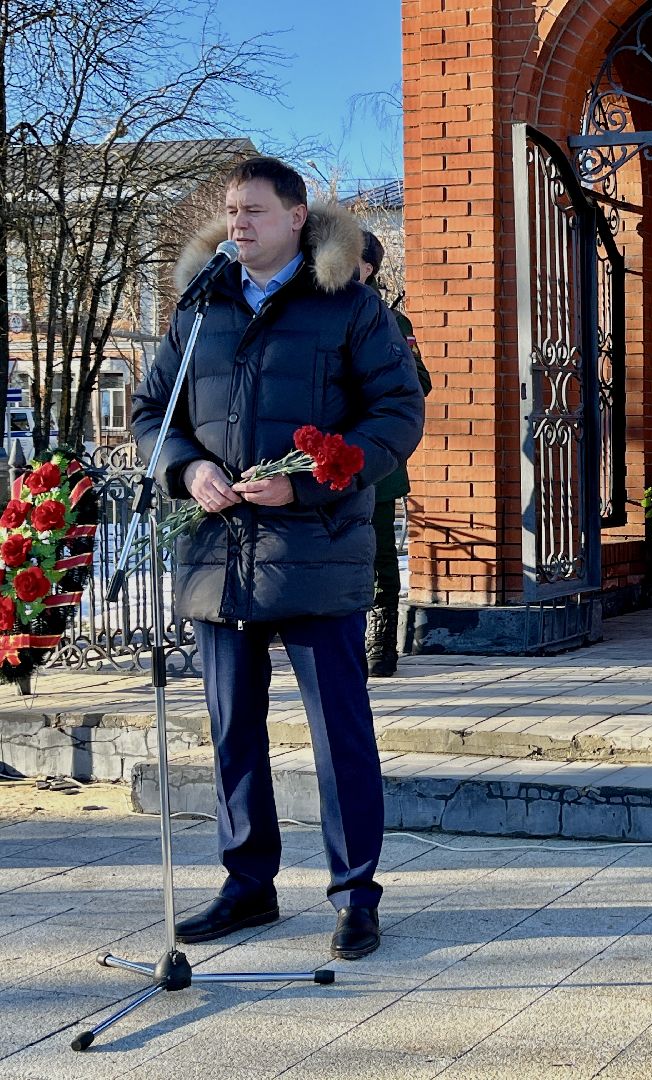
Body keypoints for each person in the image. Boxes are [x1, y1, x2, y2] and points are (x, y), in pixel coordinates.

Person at [132, 156, 425, 960]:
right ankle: (247, 885)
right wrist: (187, 467)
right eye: (231, 211)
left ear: (297, 217)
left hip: (315, 550)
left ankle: (355, 894)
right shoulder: (199, 307)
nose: (237, 224)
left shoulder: (349, 307)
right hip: (216, 554)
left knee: (339, 733)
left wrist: (315, 485)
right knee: (232, 731)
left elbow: (398, 412)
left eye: (253, 210)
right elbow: (153, 411)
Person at [357, 230, 431, 677]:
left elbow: (418, 383)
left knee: (380, 552)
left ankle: (380, 641)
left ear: (367, 268)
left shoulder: (391, 322)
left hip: (374, 460)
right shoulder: (313, 314)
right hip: (316, 461)